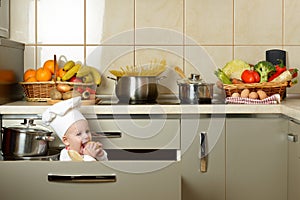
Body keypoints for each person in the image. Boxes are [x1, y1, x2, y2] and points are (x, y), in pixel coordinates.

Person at [42, 96, 108, 161]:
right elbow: (84, 170)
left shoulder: (90, 150)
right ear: (66, 141)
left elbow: (105, 166)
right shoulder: (66, 156)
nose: (86, 136)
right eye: (79, 134)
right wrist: (88, 156)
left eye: (87, 131)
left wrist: (100, 155)